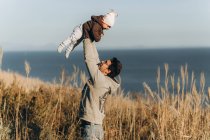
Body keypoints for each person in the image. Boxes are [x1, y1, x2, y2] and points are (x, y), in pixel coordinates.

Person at [79, 38, 122, 140]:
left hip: (91, 128)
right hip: (96, 127)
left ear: (107, 71)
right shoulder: (104, 80)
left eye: (105, 63)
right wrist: (91, 39)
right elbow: (95, 58)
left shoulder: (99, 81)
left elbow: (89, 59)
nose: (102, 62)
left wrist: (86, 38)